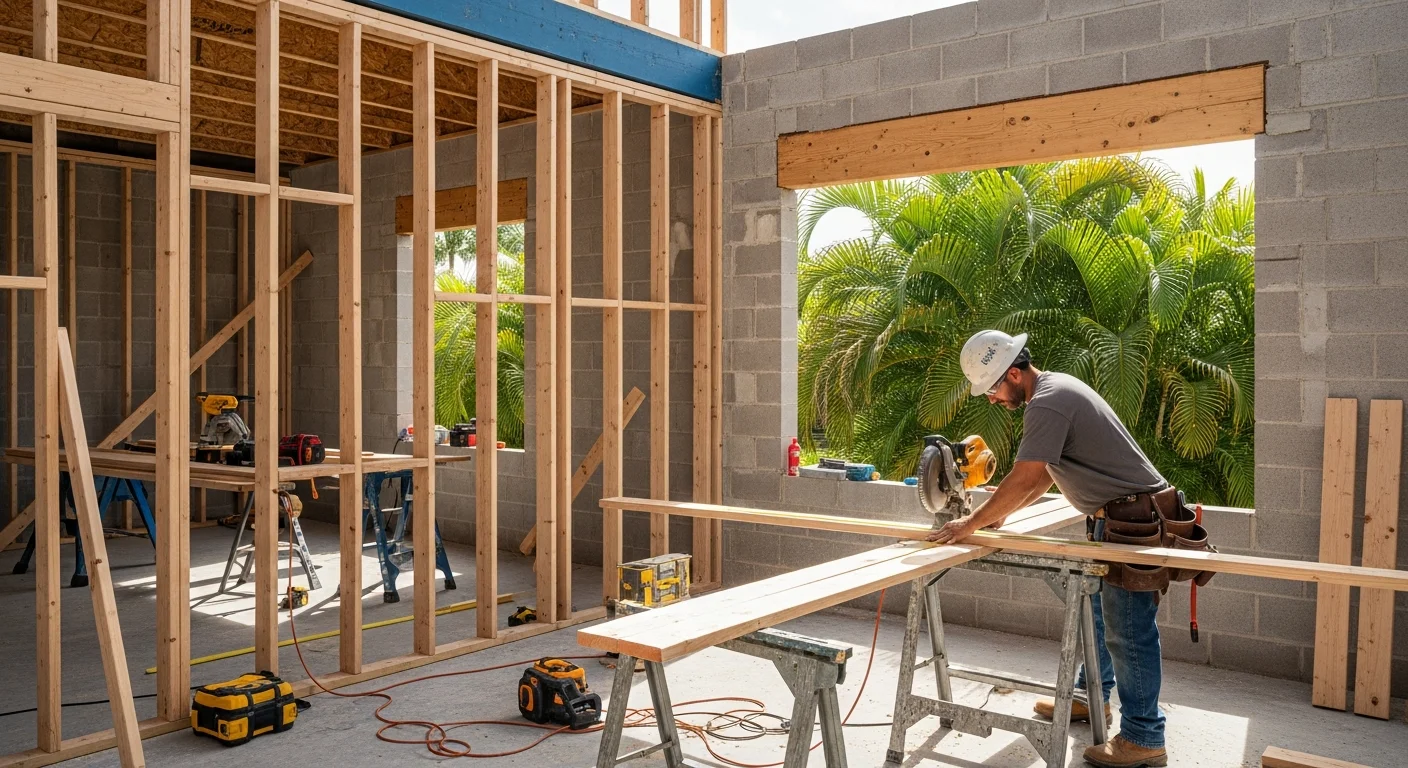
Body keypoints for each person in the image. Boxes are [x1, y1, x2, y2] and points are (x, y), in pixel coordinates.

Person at [927, 329, 1170, 768]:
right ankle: (1087, 696)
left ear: (1014, 373)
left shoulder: (1048, 402)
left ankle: (1144, 736)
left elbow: (1025, 476)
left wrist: (971, 522)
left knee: (1129, 632)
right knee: (1102, 619)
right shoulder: (1053, 391)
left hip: (1133, 522)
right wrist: (1000, 514)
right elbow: (1042, 477)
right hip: (1119, 519)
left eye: (993, 389)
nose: (992, 400)